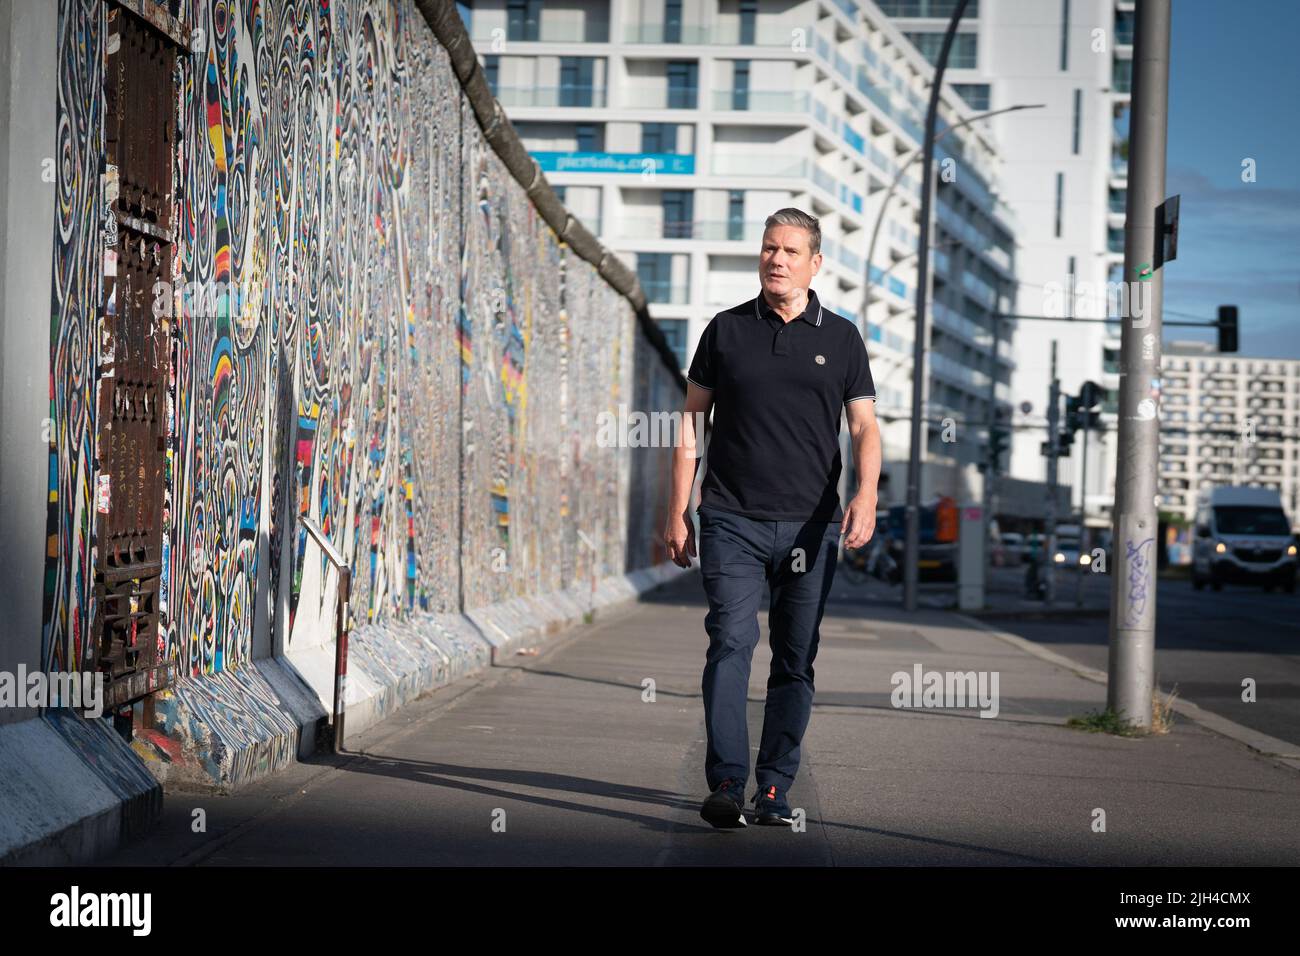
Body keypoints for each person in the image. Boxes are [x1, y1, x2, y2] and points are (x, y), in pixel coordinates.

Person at [664, 208, 882, 828]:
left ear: (815, 263)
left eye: (790, 250)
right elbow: (690, 420)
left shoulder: (842, 339)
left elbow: (864, 425)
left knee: (794, 658)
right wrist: (678, 505)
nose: (776, 259)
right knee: (730, 641)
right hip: (731, 516)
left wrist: (865, 494)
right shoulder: (725, 330)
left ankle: (774, 787)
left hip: (811, 527)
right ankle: (728, 782)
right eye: (768, 248)